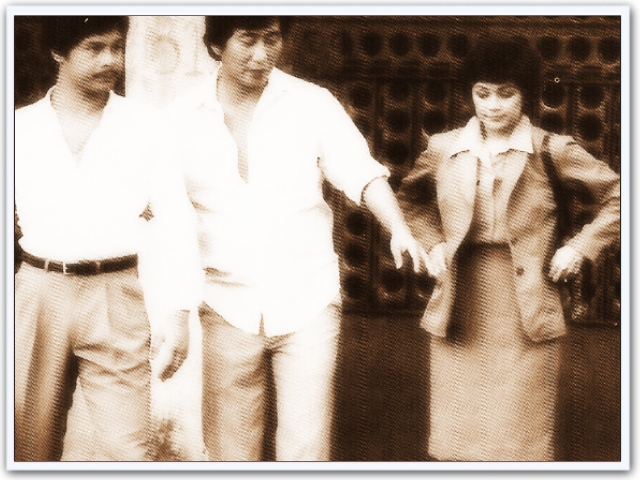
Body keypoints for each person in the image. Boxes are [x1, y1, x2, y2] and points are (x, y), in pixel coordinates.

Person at [163, 16, 428, 461]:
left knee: (306, 447)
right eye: (248, 40)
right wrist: (176, 307)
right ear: (217, 44)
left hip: (308, 298)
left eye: (271, 39)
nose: (261, 54)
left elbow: (361, 172)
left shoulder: (312, 103)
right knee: (230, 450)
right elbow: (168, 218)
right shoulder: (180, 117)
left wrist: (398, 228)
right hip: (226, 303)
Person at [397, 37, 620, 461]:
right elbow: (409, 201)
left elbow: (621, 197)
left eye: (506, 93)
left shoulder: (551, 149)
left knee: (520, 440)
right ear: (470, 93)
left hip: (526, 306)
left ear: (526, 95)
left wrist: (580, 248)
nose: (493, 105)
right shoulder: (444, 148)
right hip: (460, 302)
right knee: (459, 437)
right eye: (482, 93)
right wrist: (433, 242)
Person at [14, 16, 199, 461]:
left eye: (117, 47)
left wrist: (178, 313)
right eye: (94, 48)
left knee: (127, 450)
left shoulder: (146, 126)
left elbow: (176, 218)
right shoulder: (18, 129)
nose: (110, 60)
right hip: (38, 291)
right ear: (59, 52)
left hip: (116, 295)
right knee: (26, 444)